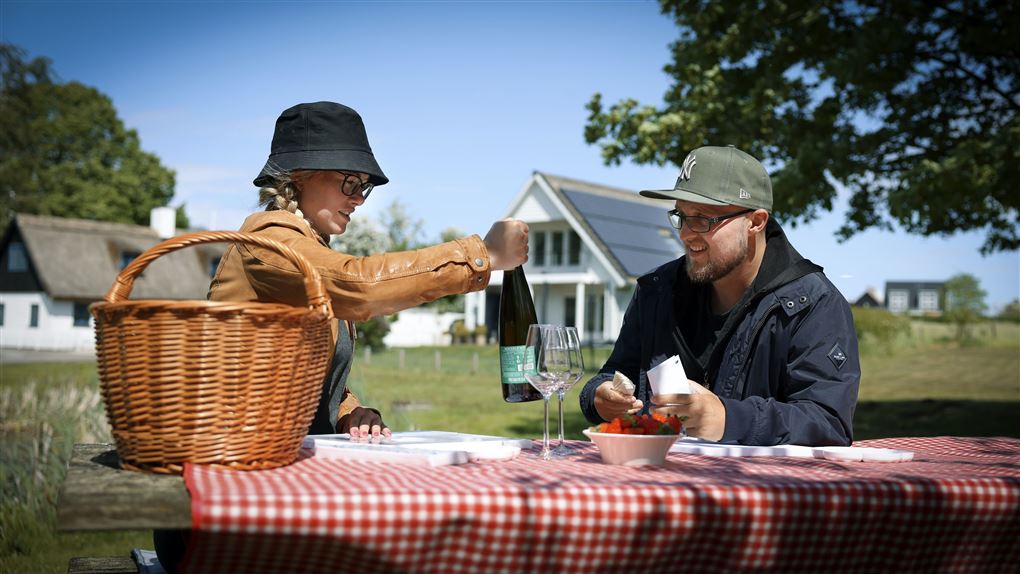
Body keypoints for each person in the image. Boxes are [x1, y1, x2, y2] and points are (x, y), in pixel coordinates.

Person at [154, 100, 529, 573]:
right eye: (350, 182)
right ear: (299, 177)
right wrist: (481, 256)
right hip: (223, 506)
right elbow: (360, 285)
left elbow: (300, 377)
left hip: (274, 488)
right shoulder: (269, 239)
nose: (357, 197)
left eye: (364, 187)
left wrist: (350, 411)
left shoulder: (308, 250)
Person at [578, 145, 859, 447]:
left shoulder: (813, 305)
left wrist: (727, 419)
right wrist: (598, 397)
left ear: (756, 221)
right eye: (681, 217)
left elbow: (827, 422)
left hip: (761, 491)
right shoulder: (656, 291)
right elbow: (616, 374)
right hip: (657, 485)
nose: (685, 234)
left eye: (702, 219)